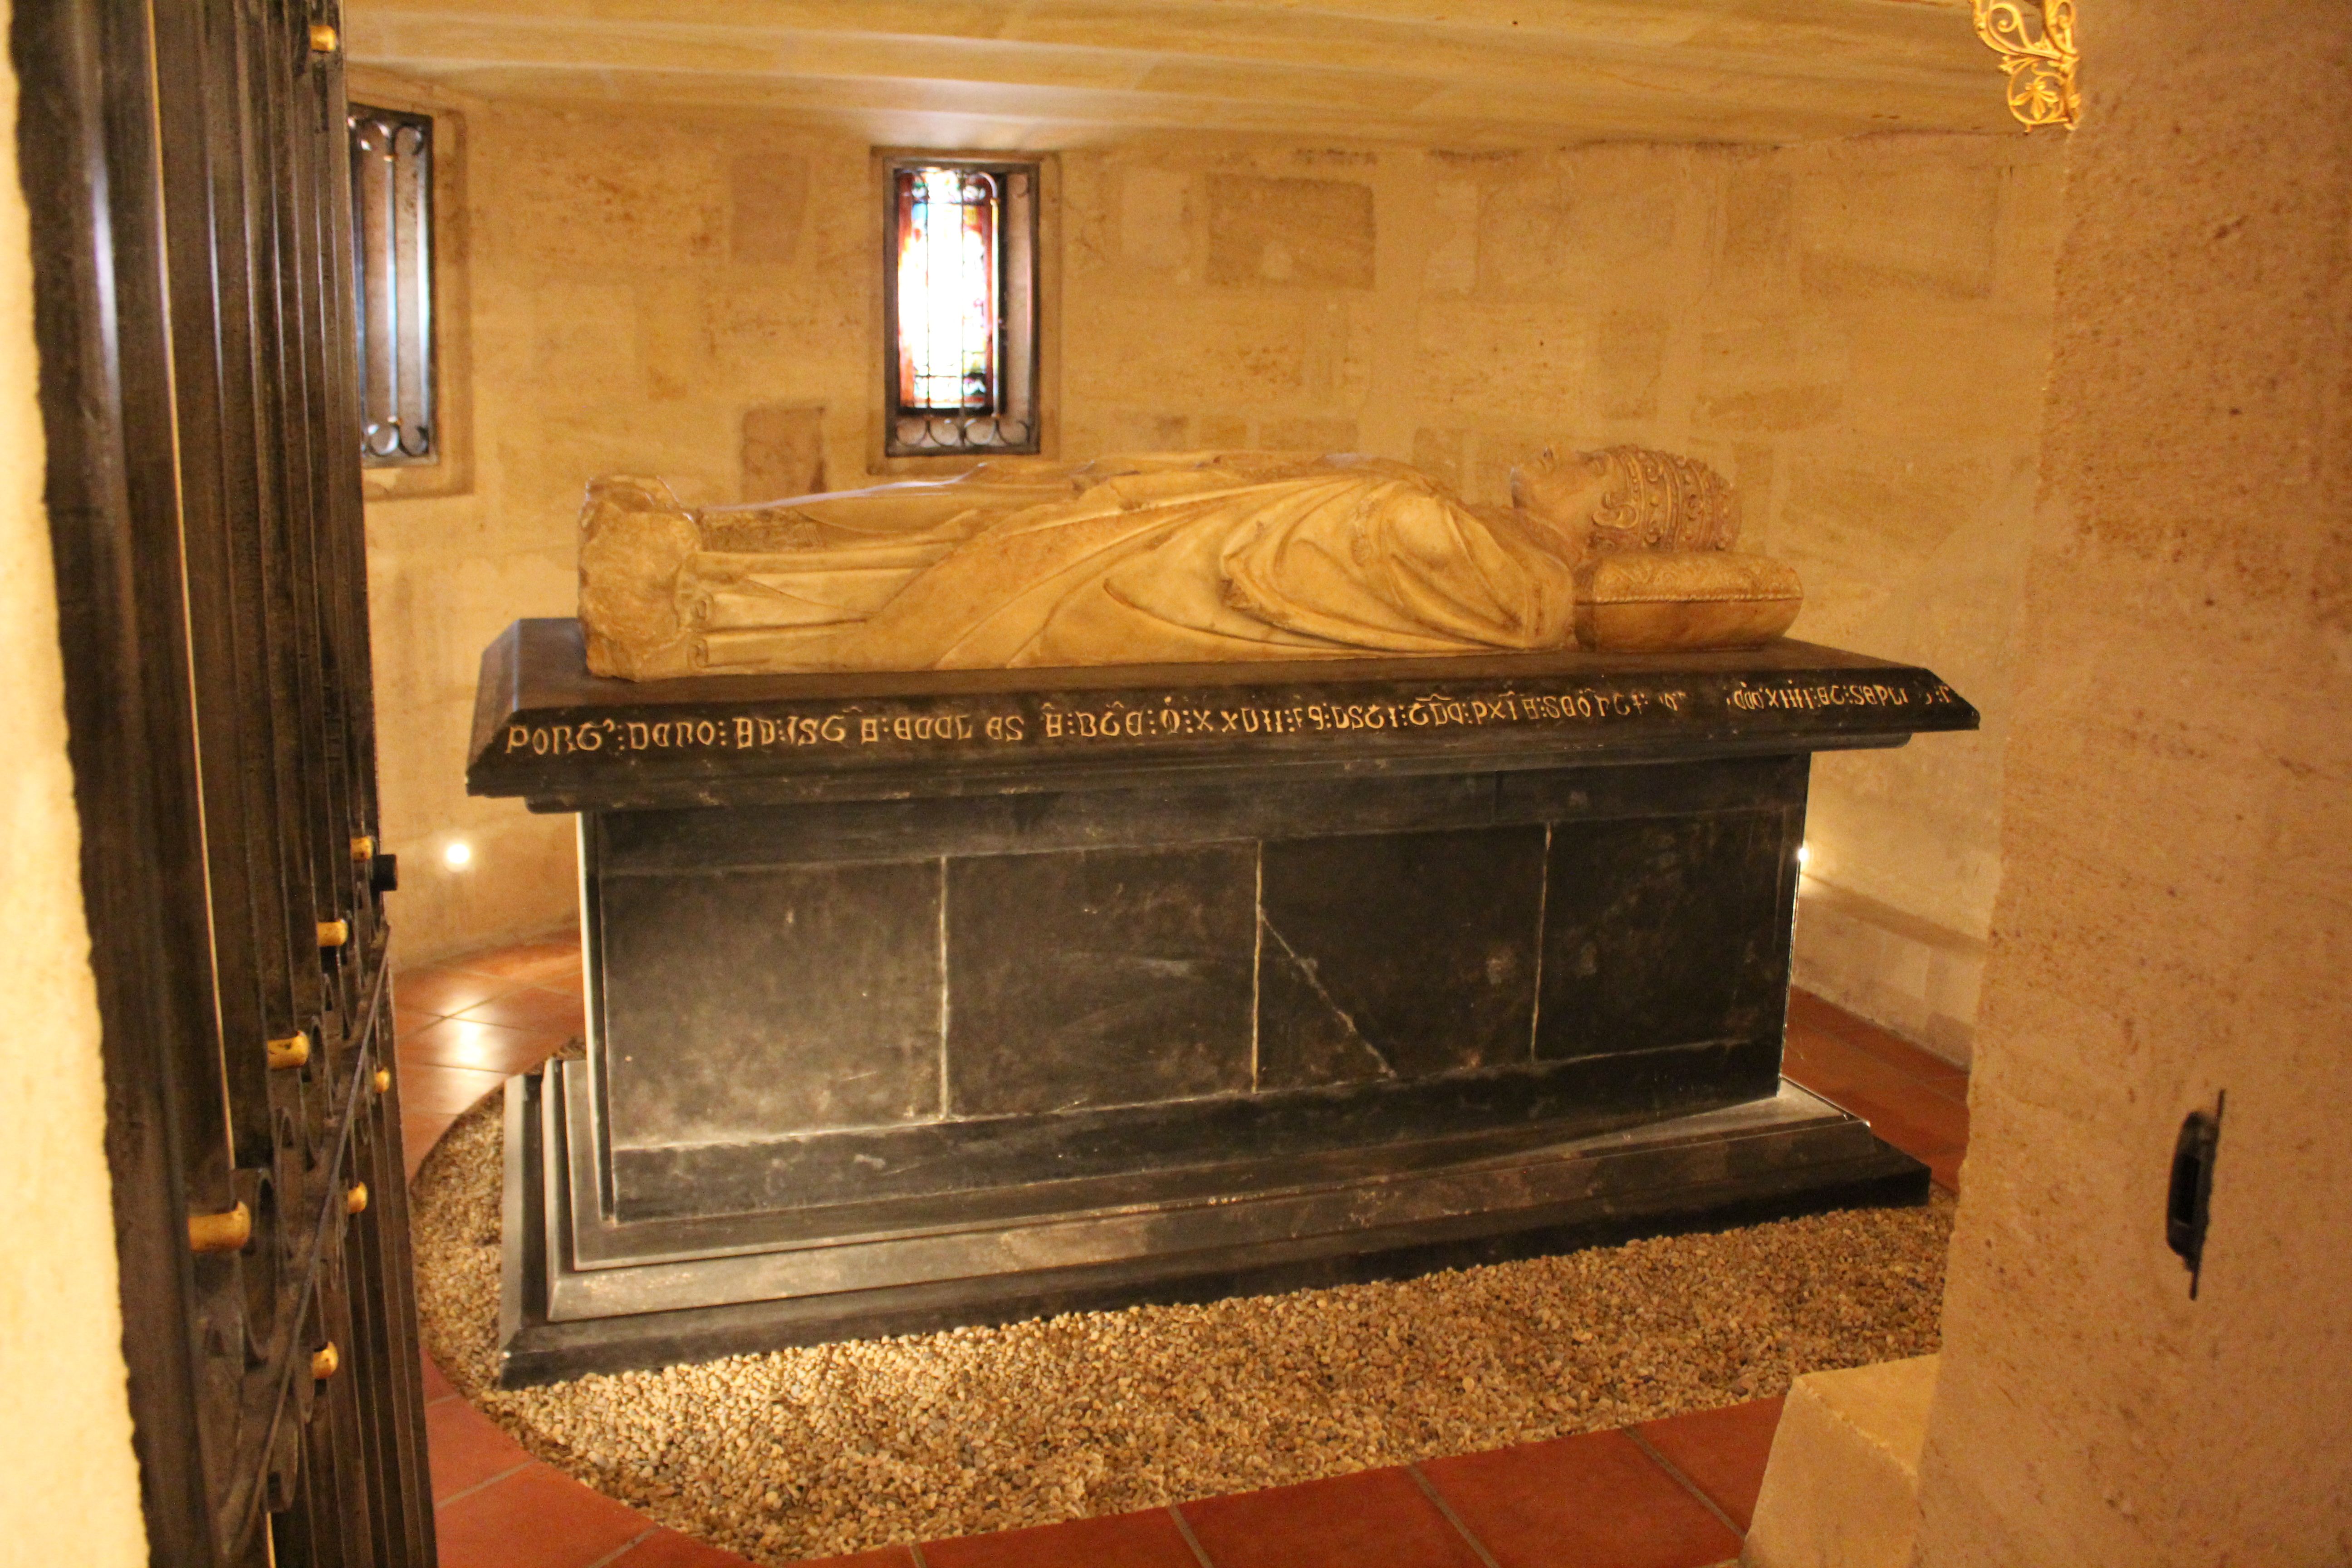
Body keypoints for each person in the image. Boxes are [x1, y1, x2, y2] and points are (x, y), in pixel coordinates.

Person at [577, 446, 1800, 679]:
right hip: (1185, 523)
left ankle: (702, 620)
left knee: (998, 558)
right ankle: (715, 540)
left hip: (1181, 566)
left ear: (1618, 526)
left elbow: (1344, 548)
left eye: (1599, 466)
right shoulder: (1496, 539)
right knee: (982, 499)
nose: (1563, 455)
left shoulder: (1521, 578)